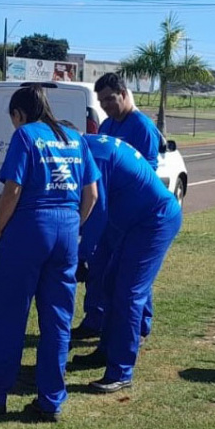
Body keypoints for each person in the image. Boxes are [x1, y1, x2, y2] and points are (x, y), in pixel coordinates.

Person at [0, 85, 99, 421]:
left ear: (19, 114)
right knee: (58, 318)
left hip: (30, 228)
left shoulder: (26, 136)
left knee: (9, 314)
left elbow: (12, 189)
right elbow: (92, 194)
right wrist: (73, 223)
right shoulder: (74, 138)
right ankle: (51, 401)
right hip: (66, 231)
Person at [71, 133, 182, 393]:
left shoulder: (95, 156)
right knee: (111, 284)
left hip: (154, 221)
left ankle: (121, 371)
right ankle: (107, 351)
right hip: (133, 221)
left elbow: (96, 210)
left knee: (128, 294)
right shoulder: (92, 145)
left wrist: (81, 255)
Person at [73, 72, 162, 342]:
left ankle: (140, 325)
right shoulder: (107, 125)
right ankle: (95, 319)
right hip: (107, 213)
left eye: (110, 99)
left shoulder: (142, 127)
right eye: (101, 101)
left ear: (124, 94)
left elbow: (147, 172)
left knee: (131, 272)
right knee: (98, 267)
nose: (106, 105)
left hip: (131, 214)